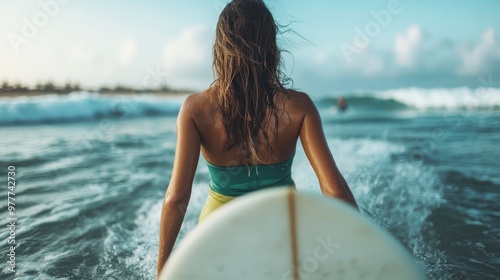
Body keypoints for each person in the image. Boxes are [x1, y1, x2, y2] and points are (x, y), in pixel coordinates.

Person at [156, 0, 358, 277]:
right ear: (271, 48)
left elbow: (176, 199)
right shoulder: (299, 107)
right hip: (284, 232)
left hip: (218, 235)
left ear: (220, 48)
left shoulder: (195, 109)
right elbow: (335, 192)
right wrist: (361, 253)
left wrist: (161, 272)